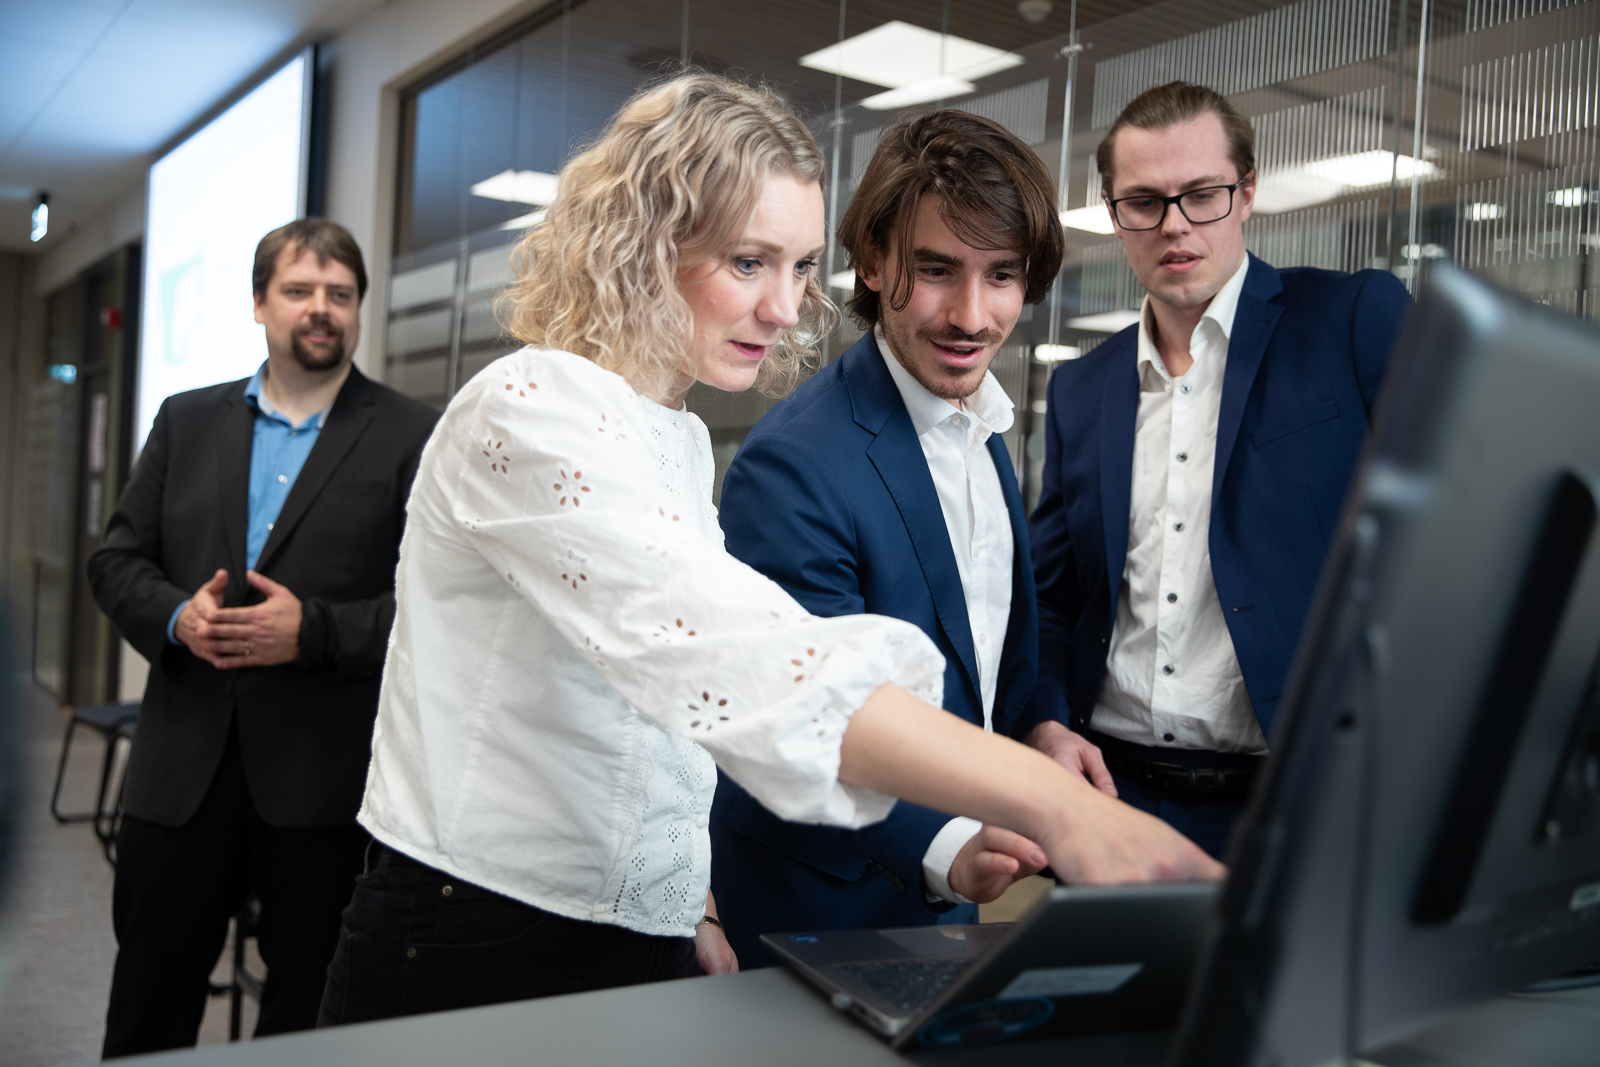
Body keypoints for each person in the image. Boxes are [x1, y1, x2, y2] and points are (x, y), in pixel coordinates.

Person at [317, 74, 1220, 1027]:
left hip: (628, 930)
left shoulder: (670, 433)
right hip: (479, 932)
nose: (788, 307)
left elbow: (659, 711)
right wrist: (1057, 803)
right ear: (643, 242)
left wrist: (687, 897)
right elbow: (745, 663)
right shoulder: (530, 407)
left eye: (795, 267)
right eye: (750, 262)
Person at [710, 110, 1117, 967]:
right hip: (815, 914)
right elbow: (808, 720)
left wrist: (1039, 722)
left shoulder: (984, 432)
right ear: (874, 261)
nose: (972, 314)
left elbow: (988, 651)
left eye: (1002, 276)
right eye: (937, 270)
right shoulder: (794, 464)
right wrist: (945, 842)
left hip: (939, 915)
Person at [1028, 81, 1411, 860]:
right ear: (1114, 214)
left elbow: (1448, 539)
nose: (1174, 225)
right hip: (1115, 797)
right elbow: (1054, 596)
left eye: (1201, 194)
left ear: (1247, 194)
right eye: (1144, 201)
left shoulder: (1350, 321)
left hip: (1298, 802)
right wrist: (1044, 720)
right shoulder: (1080, 387)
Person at [88, 219, 440, 1055]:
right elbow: (115, 560)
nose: (321, 309)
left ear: (358, 310)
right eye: (299, 290)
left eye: (340, 294)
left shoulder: (411, 436)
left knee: (306, 1021)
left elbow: (431, 611)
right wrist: (179, 615)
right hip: (181, 776)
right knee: (147, 1007)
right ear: (259, 304)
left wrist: (310, 631)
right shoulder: (184, 421)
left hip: (324, 789)